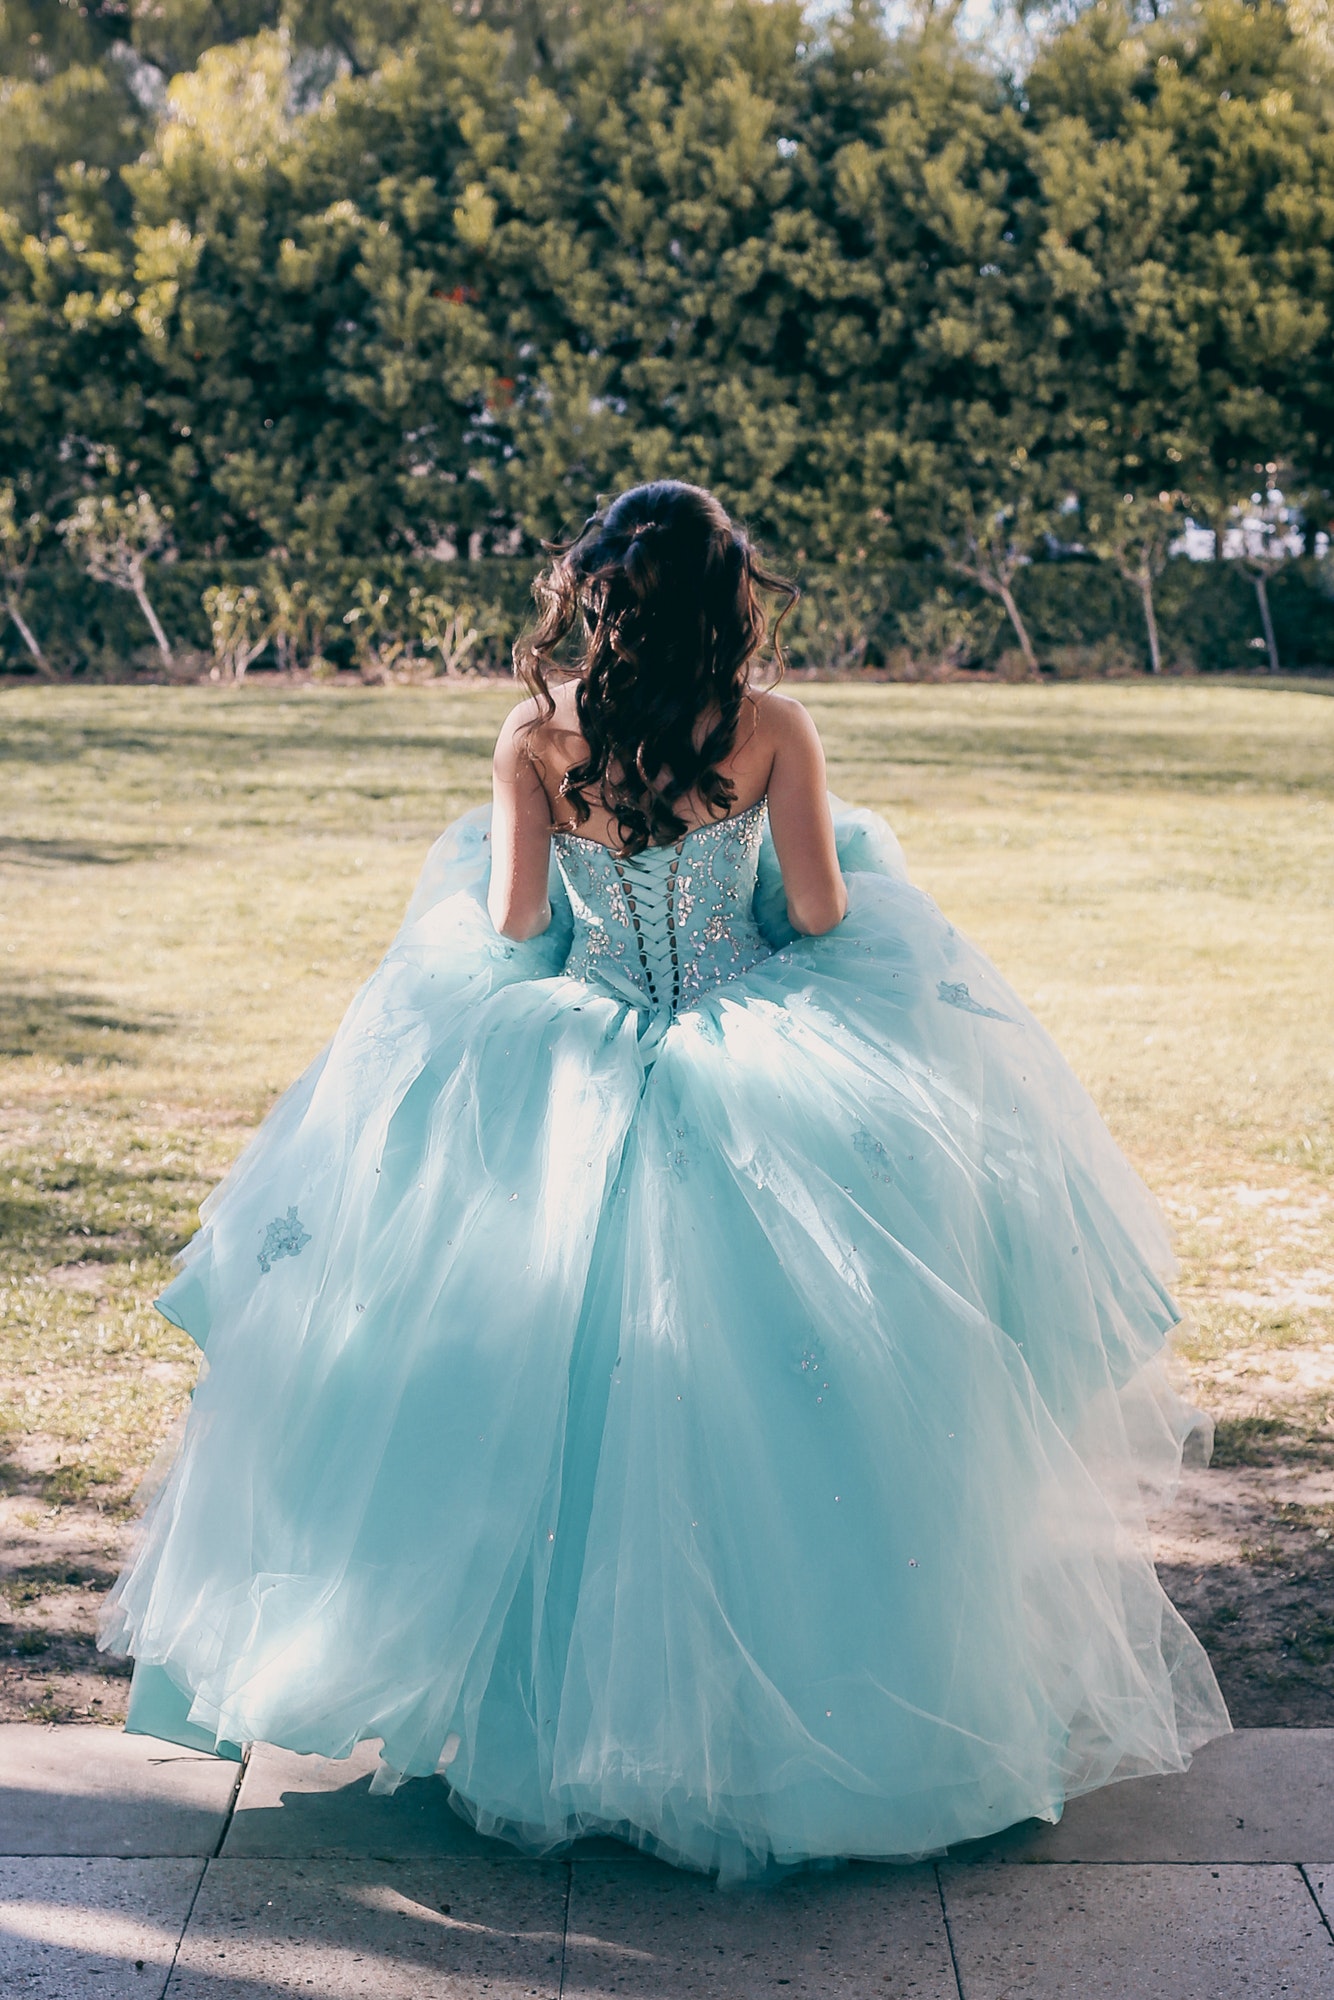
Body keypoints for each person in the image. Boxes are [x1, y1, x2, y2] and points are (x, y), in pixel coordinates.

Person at [103, 480, 1229, 1881]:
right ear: (727, 598)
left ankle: (538, 1717)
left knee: (539, 1378)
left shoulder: (534, 736)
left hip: (571, 1047)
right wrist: (844, 865)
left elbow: (518, 926)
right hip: (754, 1050)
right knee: (797, 1382)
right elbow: (815, 912)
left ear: (594, 594)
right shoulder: (767, 730)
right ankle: (793, 1715)